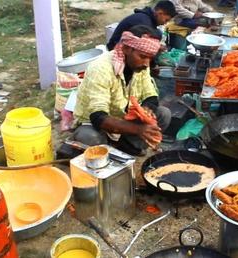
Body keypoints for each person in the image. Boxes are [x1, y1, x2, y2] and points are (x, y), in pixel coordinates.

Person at [72, 25, 171, 156]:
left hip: (123, 118)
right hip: (95, 123)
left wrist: (147, 109)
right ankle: (107, 150)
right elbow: (98, 116)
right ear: (125, 49)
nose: (147, 64)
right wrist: (138, 129)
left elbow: (150, 94)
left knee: (164, 114)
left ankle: (127, 145)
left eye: (150, 58)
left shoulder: (141, 65)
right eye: (142, 56)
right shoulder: (100, 69)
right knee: (90, 137)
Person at [106, 1, 177, 50]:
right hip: (115, 49)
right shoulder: (143, 22)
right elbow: (140, 48)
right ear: (160, 13)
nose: (165, 23)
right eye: (166, 20)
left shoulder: (148, 19)